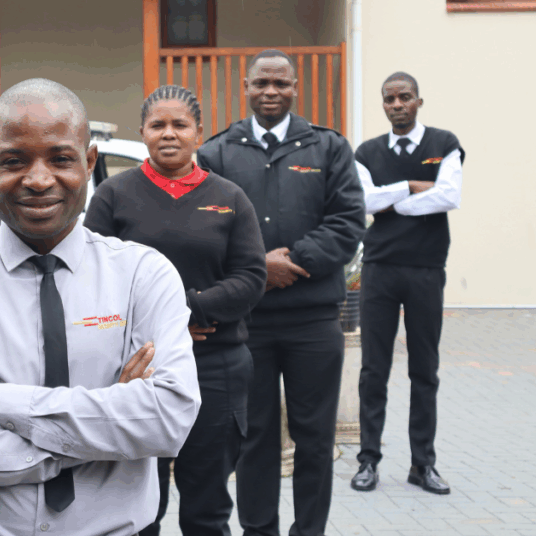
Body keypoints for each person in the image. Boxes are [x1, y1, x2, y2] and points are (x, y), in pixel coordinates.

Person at [0, 78, 201, 535]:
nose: (38, 180)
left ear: (89, 162)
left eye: (60, 159)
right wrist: (104, 426)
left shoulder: (142, 276)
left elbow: (167, 418)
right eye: (14, 160)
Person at [197, 49, 365, 536]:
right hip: (247, 324)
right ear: (245, 88)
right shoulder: (218, 153)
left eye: (281, 83)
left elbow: (348, 220)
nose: (271, 92)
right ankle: (259, 530)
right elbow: (206, 228)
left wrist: (294, 262)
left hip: (313, 321)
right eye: (261, 83)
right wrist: (257, 268)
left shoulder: (328, 148)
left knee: (315, 438)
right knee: (255, 438)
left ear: (295, 88)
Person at [85, 84, 266, 536]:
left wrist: (192, 313)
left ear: (198, 133)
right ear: (142, 133)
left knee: (206, 509)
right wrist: (163, 328)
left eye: (179, 125)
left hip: (214, 368)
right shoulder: (112, 194)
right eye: (157, 125)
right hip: (135, 370)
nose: (169, 134)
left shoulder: (230, 197)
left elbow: (250, 277)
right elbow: (91, 275)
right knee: (138, 508)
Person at [350, 72, 463, 495]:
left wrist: (391, 197)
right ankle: (368, 462)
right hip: (380, 270)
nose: (397, 104)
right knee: (373, 370)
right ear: (383, 104)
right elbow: (364, 202)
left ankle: (423, 465)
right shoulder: (367, 152)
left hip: (426, 270)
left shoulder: (445, 143)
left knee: (424, 371)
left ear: (419, 101)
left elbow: (449, 197)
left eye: (405, 97)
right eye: (389, 98)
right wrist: (413, 186)